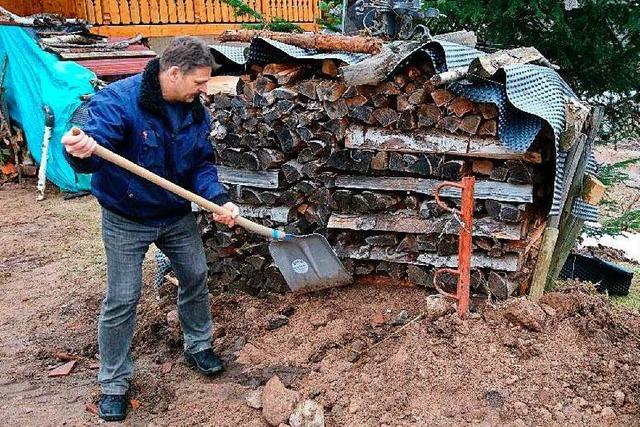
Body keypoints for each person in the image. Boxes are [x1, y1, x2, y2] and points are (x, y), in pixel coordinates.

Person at [61, 36, 239, 422]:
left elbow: (201, 164)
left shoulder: (193, 111)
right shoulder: (118, 102)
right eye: (198, 82)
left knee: (195, 274)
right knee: (123, 297)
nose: (204, 90)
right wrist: (78, 152)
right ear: (173, 73)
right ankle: (113, 382)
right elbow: (94, 148)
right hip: (126, 215)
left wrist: (218, 198)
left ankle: (198, 344)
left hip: (174, 214)